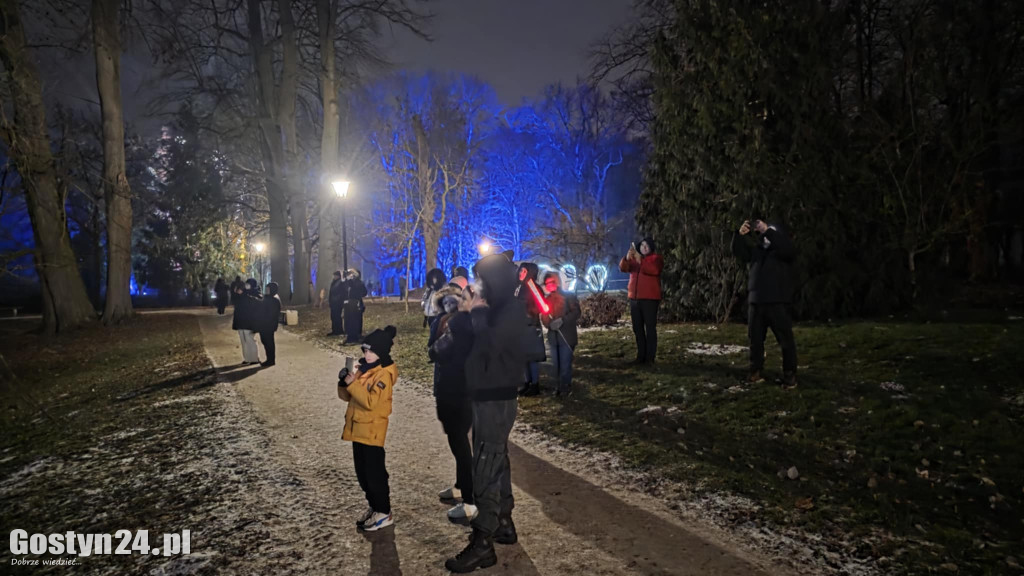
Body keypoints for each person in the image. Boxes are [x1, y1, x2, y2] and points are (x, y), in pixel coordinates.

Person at [444, 251, 524, 573]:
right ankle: (503, 522)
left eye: (482, 279)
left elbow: (491, 345)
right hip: (485, 395)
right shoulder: (495, 306)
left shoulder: (511, 309)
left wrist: (476, 313)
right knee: (496, 460)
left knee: (486, 468)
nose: (478, 285)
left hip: (497, 398)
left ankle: (483, 544)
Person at [338, 326, 400, 532]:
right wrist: (344, 382)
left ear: (381, 352)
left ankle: (383, 511)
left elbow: (371, 402)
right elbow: (347, 396)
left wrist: (353, 385)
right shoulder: (364, 369)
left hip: (372, 431)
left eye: (371, 351)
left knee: (374, 474)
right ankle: (375, 507)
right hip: (358, 429)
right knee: (362, 474)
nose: (367, 354)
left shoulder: (383, 375)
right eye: (365, 350)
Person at [732, 219, 798, 389]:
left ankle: (790, 375)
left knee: (785, 340)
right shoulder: (757, 250)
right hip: (756, 301)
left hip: (777, 300)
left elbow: (787, 249)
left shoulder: (783, 250)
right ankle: (755, 371)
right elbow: (739, 253)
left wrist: (768, 230)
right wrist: (739, 236)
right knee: (755, 340)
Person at [428, 291, 476, 521]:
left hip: (456, 390)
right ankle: (461, 486)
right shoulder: (463, 323)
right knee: (457, 441)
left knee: (459, 443)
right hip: (456, 388)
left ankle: (469, 500)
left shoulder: (460, 325)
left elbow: (436, 350)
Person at [619, 238, 664, 364]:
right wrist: (627, 258)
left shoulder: (656, 258)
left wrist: (641, 260)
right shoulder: (635, 260)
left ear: (651, 247)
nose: (644, 247)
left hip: (650, 299)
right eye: (642, 245)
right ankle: (641, 356)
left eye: (646, 245)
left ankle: (650, 358)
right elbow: (623, 268)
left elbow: (654, 270)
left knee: (650, 328)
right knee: (637, 328)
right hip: (634, 299)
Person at [540, 272, 581, 398]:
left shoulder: (569, 296)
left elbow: (576, 312)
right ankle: (558, 386)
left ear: (557, 281)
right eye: (547, 283)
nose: (549, 285)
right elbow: (544, 316)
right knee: (556, 365)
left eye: (552, 282)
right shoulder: (546, 300)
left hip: (567, 337)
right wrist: (548, 323)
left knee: (565, 364)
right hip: (554, 339)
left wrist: (563, 320)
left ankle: (565, 387)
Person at [514, 262, 545, 397]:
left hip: (531, 326)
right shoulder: (519, 287)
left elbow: (542, 306)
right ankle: (527, 383)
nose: (521, 274)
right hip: (520, 327)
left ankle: (535, 384)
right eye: (520, 271)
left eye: (524, 272)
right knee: (524, 357)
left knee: (532, 358)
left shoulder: (533, 287)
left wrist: (528, 312)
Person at [232, 279, 261, 365]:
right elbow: (236, 302)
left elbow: (255, 304)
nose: (247, 286)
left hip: (250, 321)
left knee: (249, 339)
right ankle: (247, 358)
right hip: (241, 320)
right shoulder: (242, 294)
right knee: (243, 340)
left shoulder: (255, 294)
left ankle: (254, 358)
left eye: (248, 284)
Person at [259, 282, 282, 367]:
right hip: (264, 324)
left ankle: (271, 360)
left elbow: (272, 314)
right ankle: (269, 359)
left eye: (268, 289)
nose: (267, 290)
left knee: (269, 342)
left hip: (269, 325)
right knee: (265, 341)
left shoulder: (275, 300)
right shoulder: (266, 298)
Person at [343, 269, 368, 345]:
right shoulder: (352, 282)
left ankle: (355, 336)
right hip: (351, 304)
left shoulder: (358, 283)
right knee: (351, 320)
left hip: (355, 304)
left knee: (355, 321)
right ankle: (352, 335)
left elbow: (363, 292)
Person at [328, 270, 345, 337]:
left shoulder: (340, 282)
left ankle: (338, 330)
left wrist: (339, 300)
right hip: (333, 302)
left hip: (337, 303)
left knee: (337, 317)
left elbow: (341, 293)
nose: (334, 277)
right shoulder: (334, 282)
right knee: (333, 317)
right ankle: (334, 330)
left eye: (335, 275)